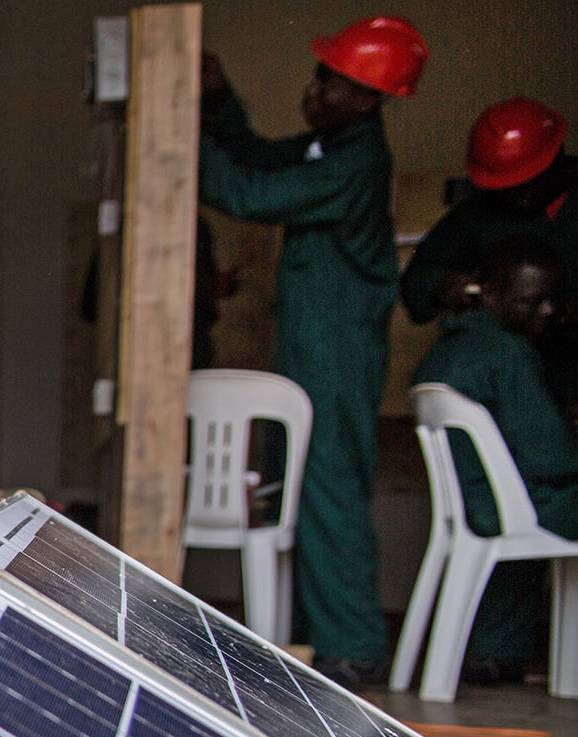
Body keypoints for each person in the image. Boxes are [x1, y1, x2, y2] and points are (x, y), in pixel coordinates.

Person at [195, 15, 428, 691]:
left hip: (338, 350)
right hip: (315, 345)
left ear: (368, 98)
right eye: (322, 75)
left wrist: (179, 134)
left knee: (328, 486)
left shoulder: (354, 162)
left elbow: (249, 192)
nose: (315, 90)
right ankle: (314, 637)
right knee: (300, 483)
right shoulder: (331, 147)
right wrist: (217, 105)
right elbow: (264, 158)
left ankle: (353, 646)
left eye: (333, 82)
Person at [412, 236, 578, 682]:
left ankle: (498, 652)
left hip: (478, 503)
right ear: (488, 293)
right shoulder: (507, 354)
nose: (546, 312)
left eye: (551, 300)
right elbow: (552, 460)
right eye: (530, 300)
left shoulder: (445, 350)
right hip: (513, 507)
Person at [401, 97, 578, 409]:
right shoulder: (480, 213)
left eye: (527, 181)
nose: (518, 197)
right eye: (505, 186)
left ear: (556, 157)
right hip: (509, 379)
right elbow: (418, 278)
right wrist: (443, 285)